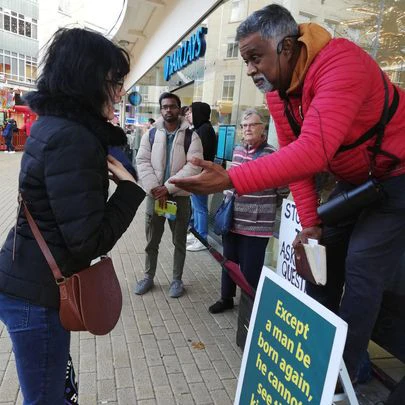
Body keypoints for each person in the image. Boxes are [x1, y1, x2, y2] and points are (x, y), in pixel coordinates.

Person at [171, 4, 405, 382]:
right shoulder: (280, 93)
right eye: (245, 60)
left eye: (254, 57)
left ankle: (341, 370)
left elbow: (312, 151)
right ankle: (318, 353)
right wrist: (310, 226)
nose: (249, 70)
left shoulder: (342, 63)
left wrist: (232, 179)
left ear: (287, 46)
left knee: (362, 266)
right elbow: (298, 160)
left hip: (397, 178)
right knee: (317, 258)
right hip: (356, 181)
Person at [0, 27, 145, 404]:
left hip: (29, 284)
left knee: (54, 392)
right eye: (114, 81)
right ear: (88, 79)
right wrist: (129, 191)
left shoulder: (55, 125)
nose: (118, 93)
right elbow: (87, 242)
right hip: (38, 295)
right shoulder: (74, 138)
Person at [135, 92, 203, 298]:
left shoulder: (192, 135)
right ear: (160, 109)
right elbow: (142, 161)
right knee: (151, 241)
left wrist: (168, 188)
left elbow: (194, 167)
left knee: (179, 241)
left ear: (179, 109)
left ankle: (176, 279)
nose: (168, 110)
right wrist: (155, 188)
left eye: (172, 106)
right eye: (164, 107)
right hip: (154, 196)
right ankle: (148, 276)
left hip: (179, 197)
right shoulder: (152, 134)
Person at [209, 109, 277, 313]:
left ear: (263, 128)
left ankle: (249, 307)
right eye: (244, 126)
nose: (247, 129)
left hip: (257, 224)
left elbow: (282, 188)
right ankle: (226, 298)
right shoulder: (237, 150)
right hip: (233, 219)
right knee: (228, 262)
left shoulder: (272, 154)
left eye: (252, 125)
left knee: (250, 270)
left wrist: (263, 204)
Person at [185, 102, 217, 252]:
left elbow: (201, 154)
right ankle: (197, 233)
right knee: (196, 206)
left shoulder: (205, 130)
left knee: (200, 207)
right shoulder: (201, 128)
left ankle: (202, 237)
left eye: (191, 112)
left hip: (201, 174)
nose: (188, 115)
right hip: (197, 173)